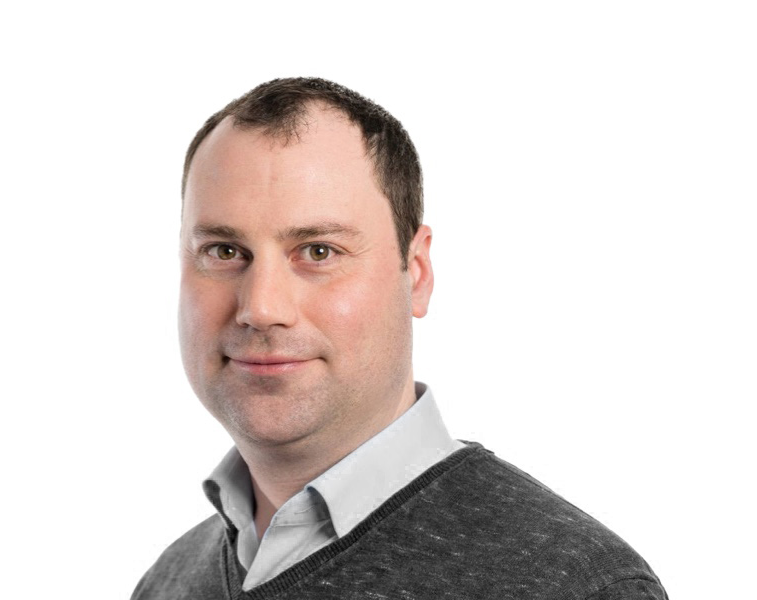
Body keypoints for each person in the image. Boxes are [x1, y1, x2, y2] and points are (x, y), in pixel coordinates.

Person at [131, 77, 668, 599]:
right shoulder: (169, 582)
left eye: (318, 251)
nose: (262, 308)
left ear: (417, 273)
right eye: (224, 251)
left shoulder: (579, 586)